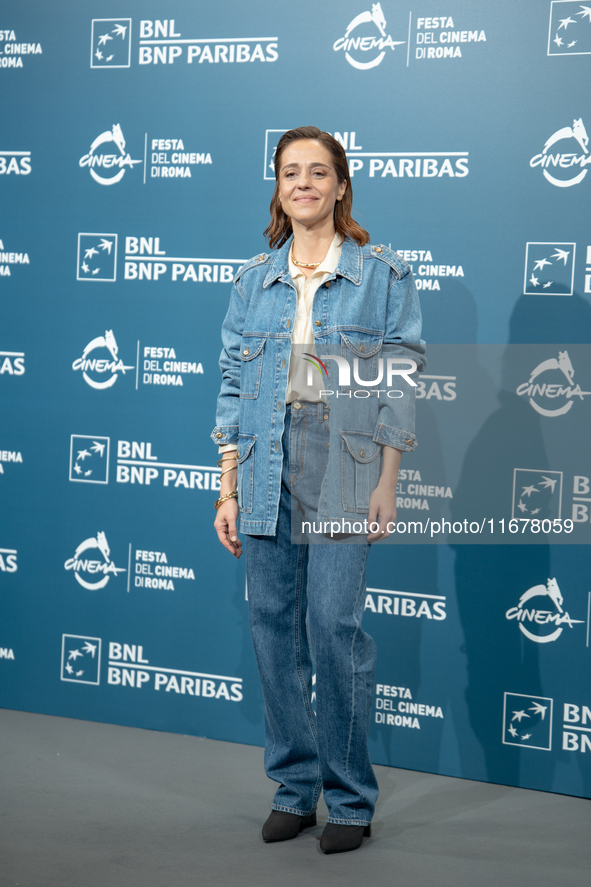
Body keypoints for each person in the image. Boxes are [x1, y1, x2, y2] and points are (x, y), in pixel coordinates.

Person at [212, 126, 424, 854]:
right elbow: (234, 390)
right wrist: (228, 488)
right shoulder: (252, 281)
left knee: (332, 629)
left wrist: (386, 480)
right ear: (278, 187)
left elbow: (397, 385)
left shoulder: (381, 277)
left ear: (340, 185)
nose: (302, 183)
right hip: (265, 456)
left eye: (317, 172)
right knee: (272, 627)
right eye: (289, 172)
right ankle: (294, 788)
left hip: (345, 457)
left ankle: (350, 795)